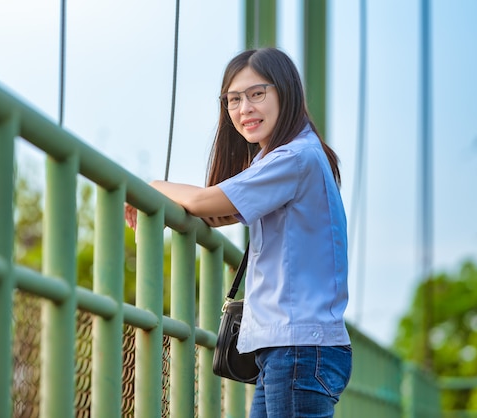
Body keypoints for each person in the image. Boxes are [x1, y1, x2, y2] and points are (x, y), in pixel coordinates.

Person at [125, 47, 351, 418]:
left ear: (286, 92)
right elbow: (221, 212)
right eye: (233, 99)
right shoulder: (290, 156)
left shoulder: (292, 159)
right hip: (292, 350)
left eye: (257, 94)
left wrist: (153, 186)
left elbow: (204, 201)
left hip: (296, 349)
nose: (244, 108)